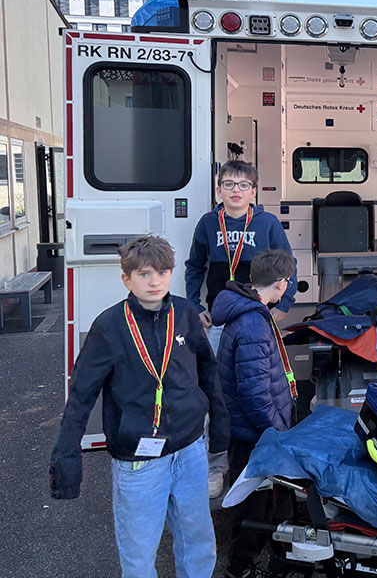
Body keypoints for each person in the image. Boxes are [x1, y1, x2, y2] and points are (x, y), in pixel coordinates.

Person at [49, 236, 228, 578]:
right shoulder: (110, 326)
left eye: (162, 272)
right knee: (139, 553)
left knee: (199, 542)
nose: (155, 281)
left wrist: (220, 429)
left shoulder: (187, 315)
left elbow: (209, 373)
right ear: (126, 279)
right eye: (145, 273)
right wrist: (66, 456)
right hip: (139, 461)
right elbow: (82, 394)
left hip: (190, 449)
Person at [184, 159, 296, 497]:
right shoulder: (207, 224)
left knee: (261, 387)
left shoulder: (267, 223)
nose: (236, 191)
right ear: (219, 190)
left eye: (243, 185)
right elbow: (194, 267)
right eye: (229, 184)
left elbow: (289, 265)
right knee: (217, 396)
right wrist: (195, 307)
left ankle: (265, 461)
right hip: (220, 320)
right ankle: (216, 468)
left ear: (253, 191)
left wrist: (284, 307)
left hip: (257, 319)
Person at [213, 249, 298, 578]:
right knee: (255, 506)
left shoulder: (248, 313)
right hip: (257, 434)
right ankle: (240, 567)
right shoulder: (254, 324)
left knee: (274, 502)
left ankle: (281, 559)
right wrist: (278, 431)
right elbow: (254, 392)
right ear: (280, 284)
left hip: (254, 430)